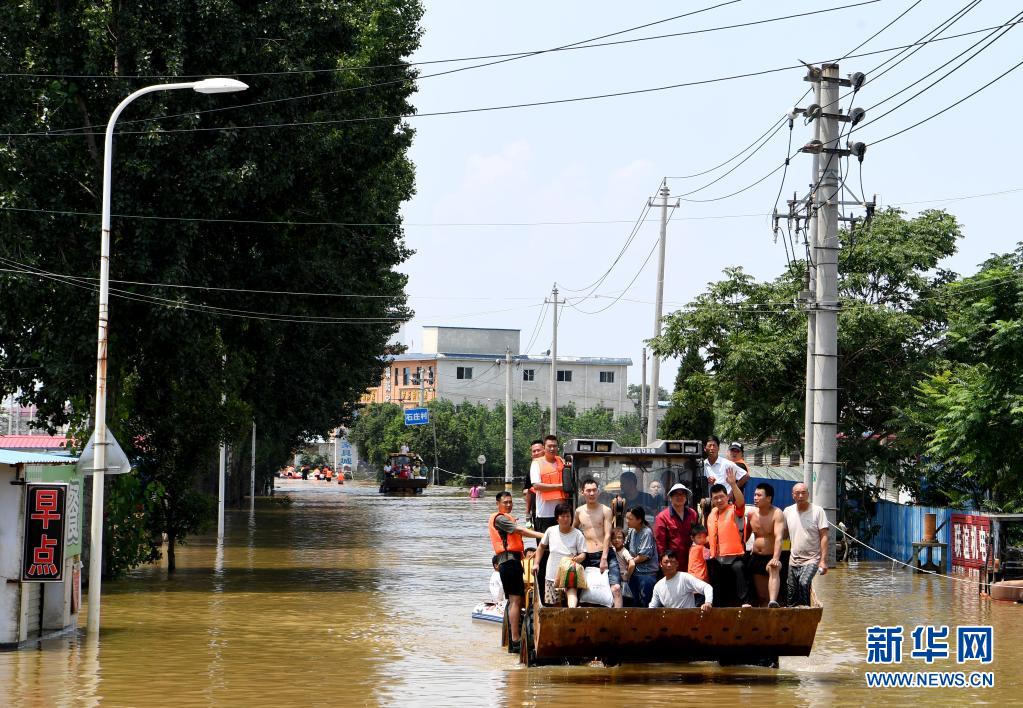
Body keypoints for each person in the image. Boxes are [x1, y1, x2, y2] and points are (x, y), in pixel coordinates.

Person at [488, 491, 544, 652]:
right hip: (509, 562)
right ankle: (515, 639)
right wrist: (544, 535)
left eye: (510, 502)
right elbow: (520, 531)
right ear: (498, 503)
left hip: (512, 561)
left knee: (516, 600)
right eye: (505, 502)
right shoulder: (500, 519)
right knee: (515, 601)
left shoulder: (504, 518)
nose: (508, 505)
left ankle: (515, 638)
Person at [574, 478, 623, 608]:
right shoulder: (579, 511)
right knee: (583, 591)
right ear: (582, 492)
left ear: (598, 492)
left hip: (605, 553)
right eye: (588, 491)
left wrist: (604, 558)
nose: (591, 493)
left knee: (616, 588)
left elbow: (608, 534)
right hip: (586, 556)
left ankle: (620, 623)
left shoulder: (606, 510)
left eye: (594, 490)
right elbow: (573, 532)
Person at [707, 468, 751, 607]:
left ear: (727, 497)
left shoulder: (735, 510)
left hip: (735, 557)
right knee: (716, 580)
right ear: (712, 501)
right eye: (715, 498)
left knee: (739, 569)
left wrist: (733, 484)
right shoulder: (712, 513)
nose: (719, 500)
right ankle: (717, 607)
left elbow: (741, 501)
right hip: (718, 558)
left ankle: (745, 603)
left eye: (721, 497)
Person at [783, 483, 829, 606]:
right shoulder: (787, 511)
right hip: (793, 559)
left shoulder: (818, 511)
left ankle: (805, 613)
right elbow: (783, 535)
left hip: (812, 558)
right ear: (793, 495)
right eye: (797, 493)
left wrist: (823, 561)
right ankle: (792, 618)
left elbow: (824, 536)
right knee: (791, 592)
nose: (801, 495)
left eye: (803, 493)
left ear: (808, 494)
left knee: (804, 583)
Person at [534, 502, 587, 608]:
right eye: (563, 516)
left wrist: (577, 559)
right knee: (555, 604)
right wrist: (536, 563)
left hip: (570, 571)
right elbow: (541, 547)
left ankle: (572, 612)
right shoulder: (550, 531)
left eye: (568, 516)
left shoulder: (578, 534)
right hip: (552, 573)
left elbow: (583, 554)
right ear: (557, 518)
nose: (566, 519)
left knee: (572, 595)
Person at [747, 482, 785, 607]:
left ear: (768, 498)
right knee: (762, 597)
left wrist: (776, 558)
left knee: (774, 568)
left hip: (771, 557)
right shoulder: (752, 514)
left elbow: (779, 538)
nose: (755, 498)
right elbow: (746, 535)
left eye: (759, 495)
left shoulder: (777, 513)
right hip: (756, 557)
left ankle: (773, 601)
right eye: (754, 495)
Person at [653, 483, 699, 572]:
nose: (679, 497)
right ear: (670, 498)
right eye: (676, 495)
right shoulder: (662, 517)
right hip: (672, 563)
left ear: (686, 497)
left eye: (682, 494)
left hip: (692, 560)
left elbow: (697, 535)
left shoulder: (693, 514)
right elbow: (660, 543)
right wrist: (665, 562)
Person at [649, 550, 713, 610]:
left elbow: (707, 587)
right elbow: (652, 607)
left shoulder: (684, 578)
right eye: (666, 562)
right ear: (660, 564)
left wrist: (708, 602)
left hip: (688, 619)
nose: (669, 565)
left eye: (672, 562)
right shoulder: (658, 586)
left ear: (677, 564)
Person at [530, 435, 568, 533]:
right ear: (544, 448)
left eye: (554, 446)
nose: (552, 448)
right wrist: (560, 487)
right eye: (549, 446)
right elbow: (536, 486)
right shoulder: (536, 464)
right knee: (546, 545)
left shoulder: (561, 461)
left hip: (561, 513)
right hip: (545, 513)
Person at [625, 506, 659, 608]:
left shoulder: (646, 533)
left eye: (630, 519)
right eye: (626, 518)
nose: (627, 521)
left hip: (646, 574)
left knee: (645, 604)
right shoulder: (631, 531)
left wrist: (630, 561)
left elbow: (643, 556)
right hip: (634, 572)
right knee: (633, 603)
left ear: (639, 520)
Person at [703, 435, 747, 500]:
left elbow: (745, 476)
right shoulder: (702, 465)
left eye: (714, 445)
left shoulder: (727, 464)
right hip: (709, 503)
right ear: (704, 448)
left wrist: (732, 492)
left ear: (718, 448)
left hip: (725, 503)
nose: (712, 448)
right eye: (709, 445)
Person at [610, 528, 635, 604]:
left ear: (624, 540)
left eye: (619, 538)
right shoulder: (612, 550)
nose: (617, 540)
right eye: (614, 538)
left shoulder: (624, 551)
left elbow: (632, 564)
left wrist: (627, 576)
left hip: (622, 580)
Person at [522, 440, 544, 521]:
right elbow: (527, 490)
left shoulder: (556, 465)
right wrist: (527, 513)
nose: (536, 453)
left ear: (544, 450)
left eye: (538, 450)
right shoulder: (531, 470)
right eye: (534, 451)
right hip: (536, 510)